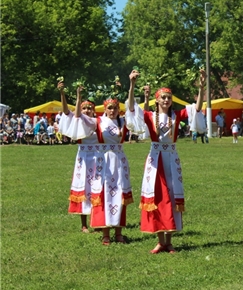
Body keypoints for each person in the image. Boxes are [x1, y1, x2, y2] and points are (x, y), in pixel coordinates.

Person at [125, 69, 206, 254]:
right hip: (155, 159)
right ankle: (160, 240)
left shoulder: (177, 116)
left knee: (171, 196)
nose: (166, 100)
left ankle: (169, 241)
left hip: (171, 159)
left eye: (168, 97)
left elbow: (198, 108)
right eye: (162, 97)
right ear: (157, 100)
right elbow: (131, 107)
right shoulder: (149, 116)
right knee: (157, 196)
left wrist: (201, 87)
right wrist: (132, 85)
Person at [62, 84, 134, 245]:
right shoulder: (98, 121)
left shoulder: (123, 121)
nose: (112, 110)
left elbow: (132, 107)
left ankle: (119, 232)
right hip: (104, 160)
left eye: (115, 108)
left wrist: (132, 86)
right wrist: (78, 96)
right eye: (109, 108)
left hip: (120, 159)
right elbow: (78, 116)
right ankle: (105, 233)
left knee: (120, 193)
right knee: (104, 193)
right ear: (105, 109)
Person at [58, 81, 98, 233]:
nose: (87, 110)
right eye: (85, 108)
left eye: (90, 108)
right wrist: (64, 94)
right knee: (83, 187)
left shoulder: (97, 122)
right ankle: (83, 224)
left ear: (94, 110)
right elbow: (67, 112)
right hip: (83, 157)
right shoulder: (78, 120)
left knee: (96, 188)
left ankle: (96, 220)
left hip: (97, 158)